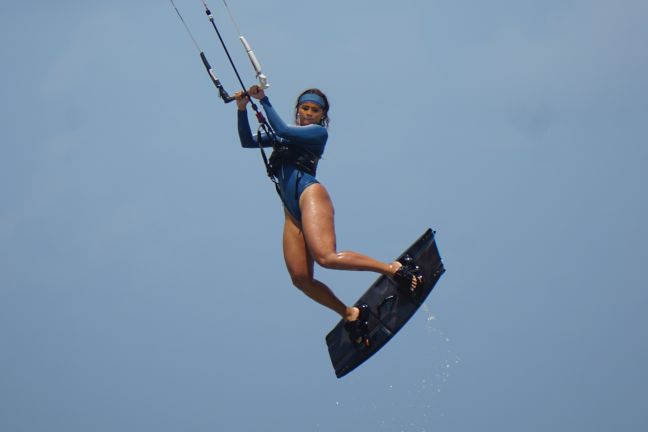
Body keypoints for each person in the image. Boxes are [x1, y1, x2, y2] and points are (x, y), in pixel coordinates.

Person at [236, 85, 422, 345]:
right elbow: (247, 142)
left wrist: (263, 100)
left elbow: (282, 130)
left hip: (309, 195)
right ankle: (351, 314)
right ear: (298, 110)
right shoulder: (284, 136)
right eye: (305, 109)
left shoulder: (317, 133)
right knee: (300, 279)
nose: (310, 113)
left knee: (327, 257)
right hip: (291, 212)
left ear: (322, 116)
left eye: (315, 110)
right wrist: (242, 109)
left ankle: (392, 269)